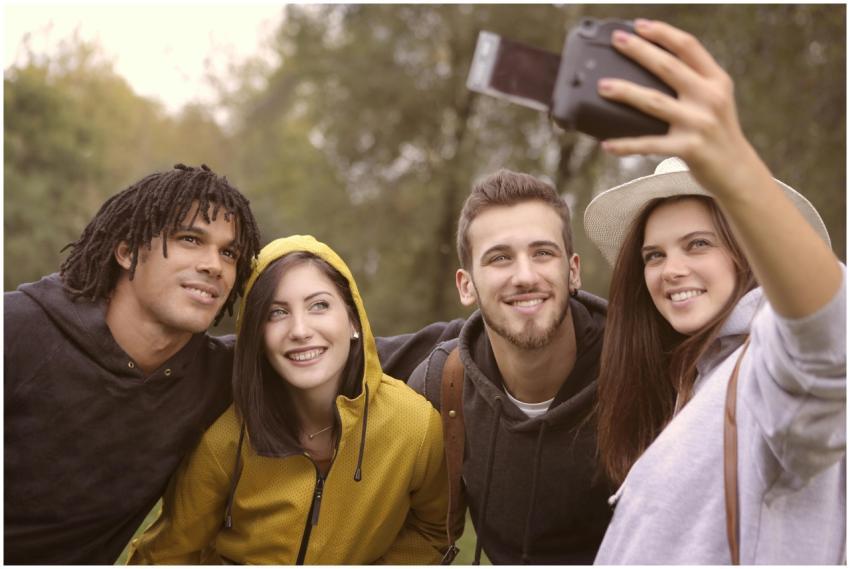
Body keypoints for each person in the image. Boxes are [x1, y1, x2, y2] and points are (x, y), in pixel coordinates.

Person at [583, 19, 845, 564]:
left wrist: (733, 167)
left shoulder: (771, 370)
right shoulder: (695, 383)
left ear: (745, 253)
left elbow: (829, 346)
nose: (670, 269)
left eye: (697, 244)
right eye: (654, 255)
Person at [128, 235, 451, 564]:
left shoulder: (417, 427)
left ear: (354, 320)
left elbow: (434, 529)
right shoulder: (225, 439)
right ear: (257, 335)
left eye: (319, 306)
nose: (299, 330)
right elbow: (167, 554)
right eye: (277, 313)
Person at [4, 164, 262, 564]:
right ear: (126, 252)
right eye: (191, 239)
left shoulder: (217, 377)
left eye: (229, 252)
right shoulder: (17, 331)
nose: (215, 265)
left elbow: (357, 358)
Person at [407, 169, 612, 564]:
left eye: (542, 253)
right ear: (466, 286)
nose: (525, 276)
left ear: (573, 271)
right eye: (500, 258)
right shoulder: (443, 383)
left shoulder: (644, 371)